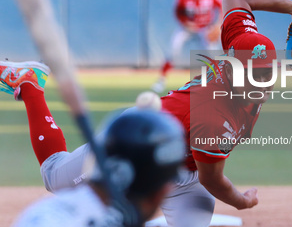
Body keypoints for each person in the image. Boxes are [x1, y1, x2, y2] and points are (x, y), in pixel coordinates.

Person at [0, 0, 292, 227]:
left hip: (186, 174)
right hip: (139, 144)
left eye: (267, 73)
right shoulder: (216, 118)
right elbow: (212, 179)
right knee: (55, 178)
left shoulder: (242, 42)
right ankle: (29, 83)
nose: (264, 83)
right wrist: (241, 201)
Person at [2, 63, 186, 226]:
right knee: (55, 175)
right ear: (160, 193)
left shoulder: (43, 216)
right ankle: (31, 86)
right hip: (148, 135)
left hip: (158, 138)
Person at [152, 0, 222, 93]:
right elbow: (177, 13)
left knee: (212, 55)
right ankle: (161, 81)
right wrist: (185, 23)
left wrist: (218, 24)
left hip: (205, 28)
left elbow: (222, 8)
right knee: (172, 50)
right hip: (187, 28)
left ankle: (218, 82)